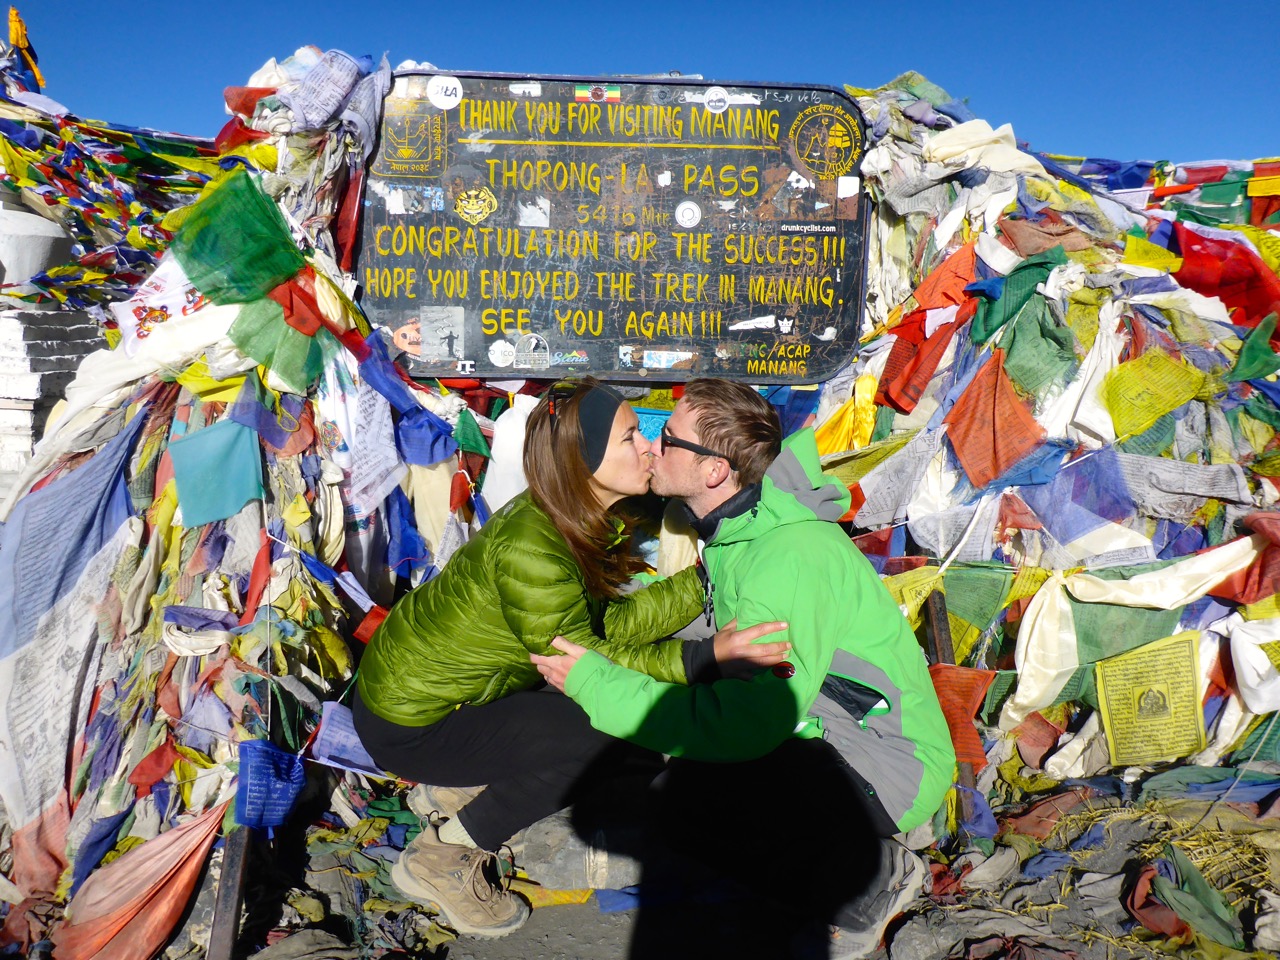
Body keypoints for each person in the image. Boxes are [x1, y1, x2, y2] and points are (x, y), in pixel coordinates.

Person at [353, 377, 789, 938]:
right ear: (583, 464)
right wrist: (705, 657)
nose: (651, 448)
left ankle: (456, 785)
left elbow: (609, 625)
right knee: (610, 729)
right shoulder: (534, 549)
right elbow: (589, 663)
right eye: (632, 438)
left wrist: (701, 583)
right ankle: (446, 855)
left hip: (450, 696)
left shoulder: (571, 518)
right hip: (412, 725)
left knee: (612, 718)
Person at [532, 378, 957, 952]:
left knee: (691, 813)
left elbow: (751, 724)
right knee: (683, 789)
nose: (653, 447)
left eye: (669, 438)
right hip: (829, 729)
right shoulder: (739, 532)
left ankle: (875, 878)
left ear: (713, 472)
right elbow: (705, 635)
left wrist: (599, 685)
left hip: (888, 762)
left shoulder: (786, 558)